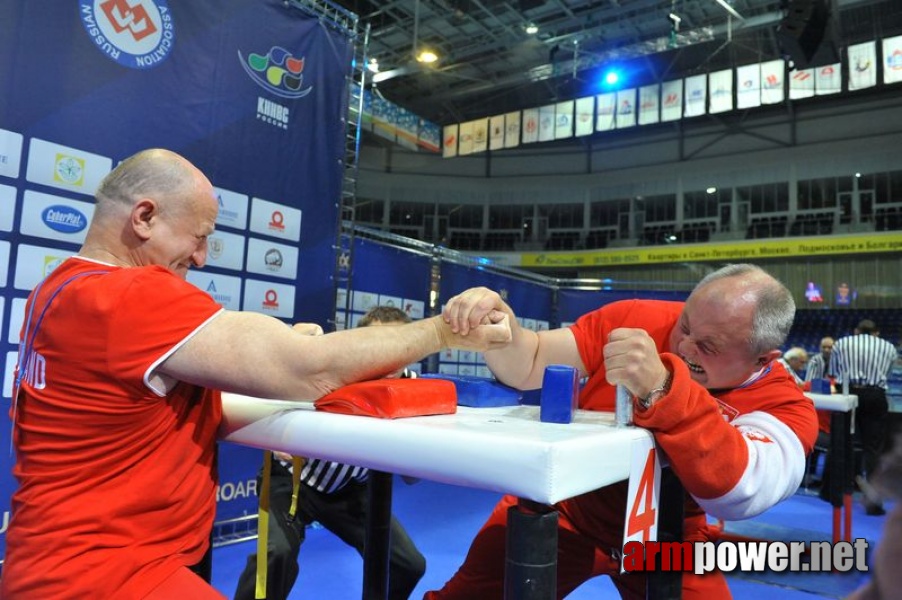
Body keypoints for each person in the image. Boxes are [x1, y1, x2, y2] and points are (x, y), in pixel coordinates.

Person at [1, 148, 511, 599]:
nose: (201, 257)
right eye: (199, 237)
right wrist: (446, 333)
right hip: (108, 574)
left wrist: (289, 351)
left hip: (56, 558)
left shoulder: (61, 286)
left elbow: (156, 403)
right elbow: (310, 372)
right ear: (145, 217)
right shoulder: (133, 295)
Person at [430, 263, 819, 599]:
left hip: (669, 536)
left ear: (762, 359)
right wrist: (503, 329)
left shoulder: (784, 405)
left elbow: (738, 494)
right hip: (567, 508)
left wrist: (664, 389)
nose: (684, 346)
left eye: (708, 347)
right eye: (684, 325)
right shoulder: (636, 319)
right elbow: (531, 361)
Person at [233, 306, 426, 600]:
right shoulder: (331, 366)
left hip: (350, 491)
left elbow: (412, 475)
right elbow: (268, 382)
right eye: (377, 344)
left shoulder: (413, 387)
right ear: (358, 342)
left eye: (397, 347)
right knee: (276, 554)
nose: (387, 357)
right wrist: (277, 429)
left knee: (407, 565)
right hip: (292, 479)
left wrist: (411, 452)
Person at [830, 319, 898, 515]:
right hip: (875, 395)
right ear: (876, 333)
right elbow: (885, 374)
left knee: (843, 444)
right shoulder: (889, 347)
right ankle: (874, 501)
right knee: (873, 449)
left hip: (848, 394)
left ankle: (837, 493)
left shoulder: (841, 343)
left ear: (856, 331)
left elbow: (833, 373)